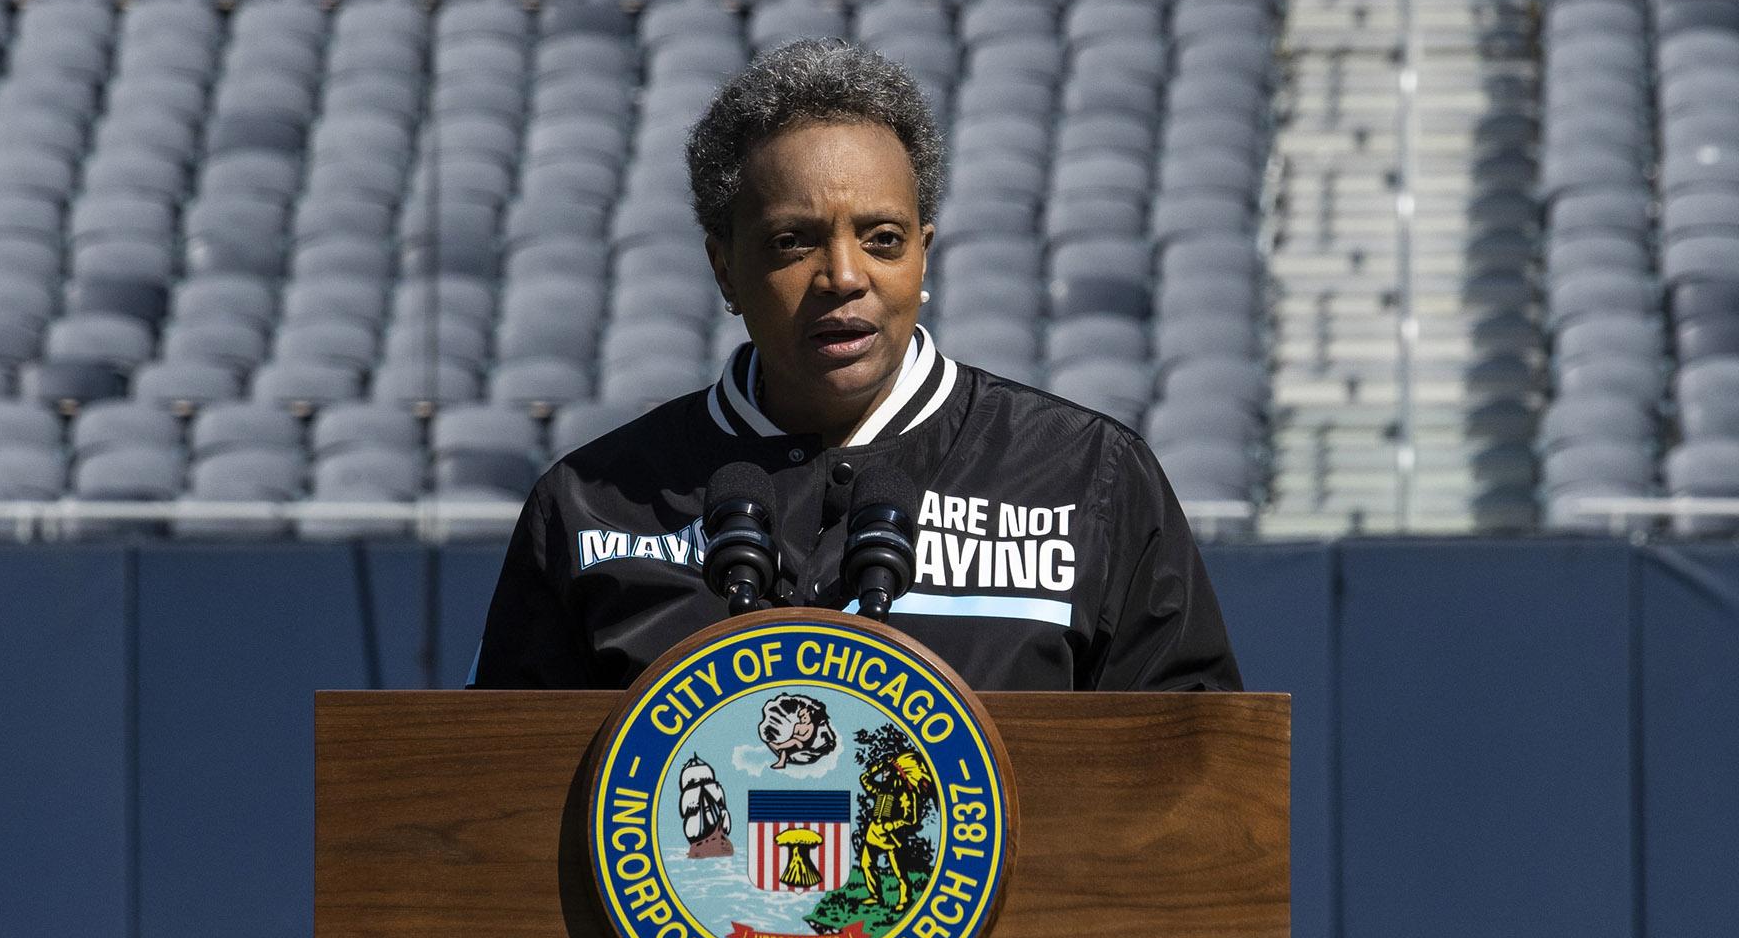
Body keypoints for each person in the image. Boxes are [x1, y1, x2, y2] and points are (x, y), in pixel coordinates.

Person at [471, 39, 1241, 694]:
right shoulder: (592, 506)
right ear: (725, 271)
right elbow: (501, 801)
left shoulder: (1089, 477)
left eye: (882, 239)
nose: (844, 276)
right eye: (792, 241)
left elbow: (1193, 778)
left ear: (924, 255)